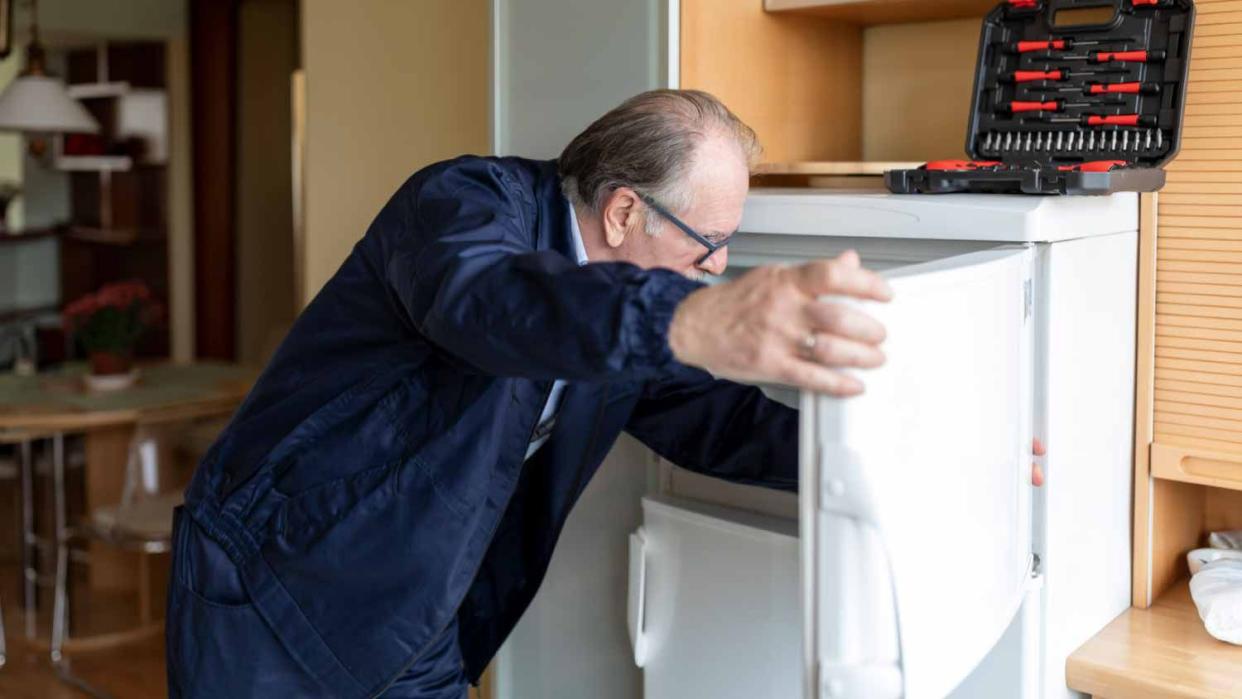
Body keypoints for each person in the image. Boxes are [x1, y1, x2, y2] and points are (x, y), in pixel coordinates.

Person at [164, 90, 1032, 698]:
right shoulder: (459, 206)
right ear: (623, 213)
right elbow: (493, 305)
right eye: (709, 245)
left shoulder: (622, 302)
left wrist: (908, 462)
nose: (719, 267)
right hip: (277, 578)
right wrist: (693, 320)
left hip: (419, 613)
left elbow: (715, 419)